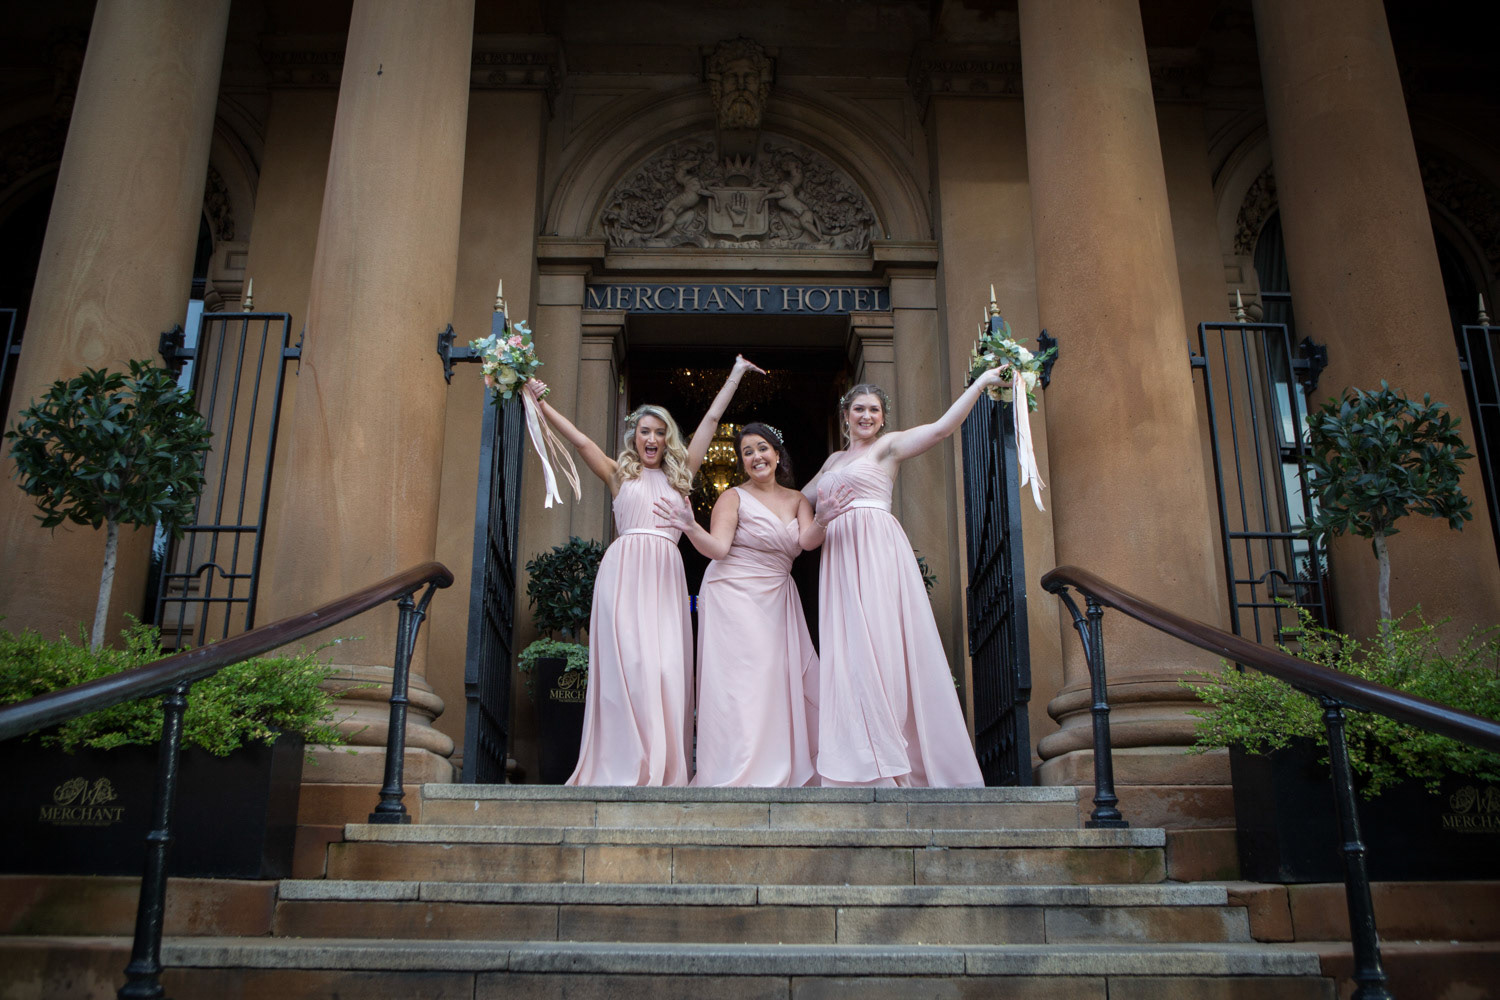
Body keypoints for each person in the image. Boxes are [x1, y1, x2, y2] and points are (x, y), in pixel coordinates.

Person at [527, 355, 765, 785]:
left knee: (665, 670)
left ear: (667, 439)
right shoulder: (618, 475)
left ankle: (662, 765)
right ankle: (625, 764)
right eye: (645, 432)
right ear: (634, 438)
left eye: (659, 432)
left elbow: (711, 421)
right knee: (629, 670)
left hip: (665, 577)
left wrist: (734, 374)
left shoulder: (681, 476)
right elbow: (580, 442)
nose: (652, 438)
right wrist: (539, 403)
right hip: (623, 576)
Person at [801, 370, 1008, 788]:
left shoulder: (888, 447)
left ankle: (893, 758)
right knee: (848, 652)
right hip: (839, 556)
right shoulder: (832, 461)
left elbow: (942, 429)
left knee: (881, 647)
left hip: (876, 550)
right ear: (845, 415)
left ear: (883, 417)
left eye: (874, 410)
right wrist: (815, 520)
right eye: (859, 409)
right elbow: (798, 500)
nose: (866, 416)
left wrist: (981, 382)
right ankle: (859, 758)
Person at [655, 423, 853, 787]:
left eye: (762, 448)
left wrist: (824, 518)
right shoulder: (733, 497)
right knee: (743, 683)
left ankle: (773, 763)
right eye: (747, 452)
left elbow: (807, 542)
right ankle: (737, 768)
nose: (756, 457)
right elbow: (718, 549)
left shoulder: (797, 500)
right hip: (733, 594)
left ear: (777, 454)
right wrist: (690, 527)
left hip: (778, 596)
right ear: (742, 462)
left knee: (775, 680)